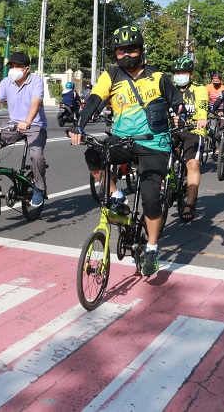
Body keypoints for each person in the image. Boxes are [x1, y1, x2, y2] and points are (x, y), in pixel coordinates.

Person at [69, 25, 183, 277]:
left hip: (153, 144)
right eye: (120, 51)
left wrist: (179, 116)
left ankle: (152, 248)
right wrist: (80, 125)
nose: (126, 55)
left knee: (152, 199)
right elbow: (94, 100)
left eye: (131, 49)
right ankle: (118, 196)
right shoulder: (111, 76)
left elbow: (177, 102)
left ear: (141, 50)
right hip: (122, 140)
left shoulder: (159, 77)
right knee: (93, 155)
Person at [0, 51, 48, 207]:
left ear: (27, 69)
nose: (14, 69)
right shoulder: (6, 82)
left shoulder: (36, 82)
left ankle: (39, 188)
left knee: (36, 156)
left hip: (34, 125)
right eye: (12, 66)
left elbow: (36, 103)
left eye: (18, 66)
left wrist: (27, 121)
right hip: (13, 124)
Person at [170, 56, 208, 223]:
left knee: (192, 164)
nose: (180, 75)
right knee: (157, 156)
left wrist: (202, 118)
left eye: (183, 72)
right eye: (177, 72)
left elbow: (202, 106)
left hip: (193, 130)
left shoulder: (199, 90)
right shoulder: (169, 89)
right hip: (172, 130)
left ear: (190, 74)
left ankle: (190, 203)